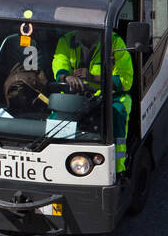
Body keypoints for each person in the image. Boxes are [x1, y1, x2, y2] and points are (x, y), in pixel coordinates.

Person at [51, 31, 133, 173]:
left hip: (110, 97)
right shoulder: (66, 40)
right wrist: (66, 77)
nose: (85, 32)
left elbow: (125, 80)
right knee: (54, 120)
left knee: (117, 116)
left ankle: (118, 168)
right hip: (77, 97)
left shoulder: (115, 42)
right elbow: (59, 62)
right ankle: (55, 165)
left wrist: (92, 77)